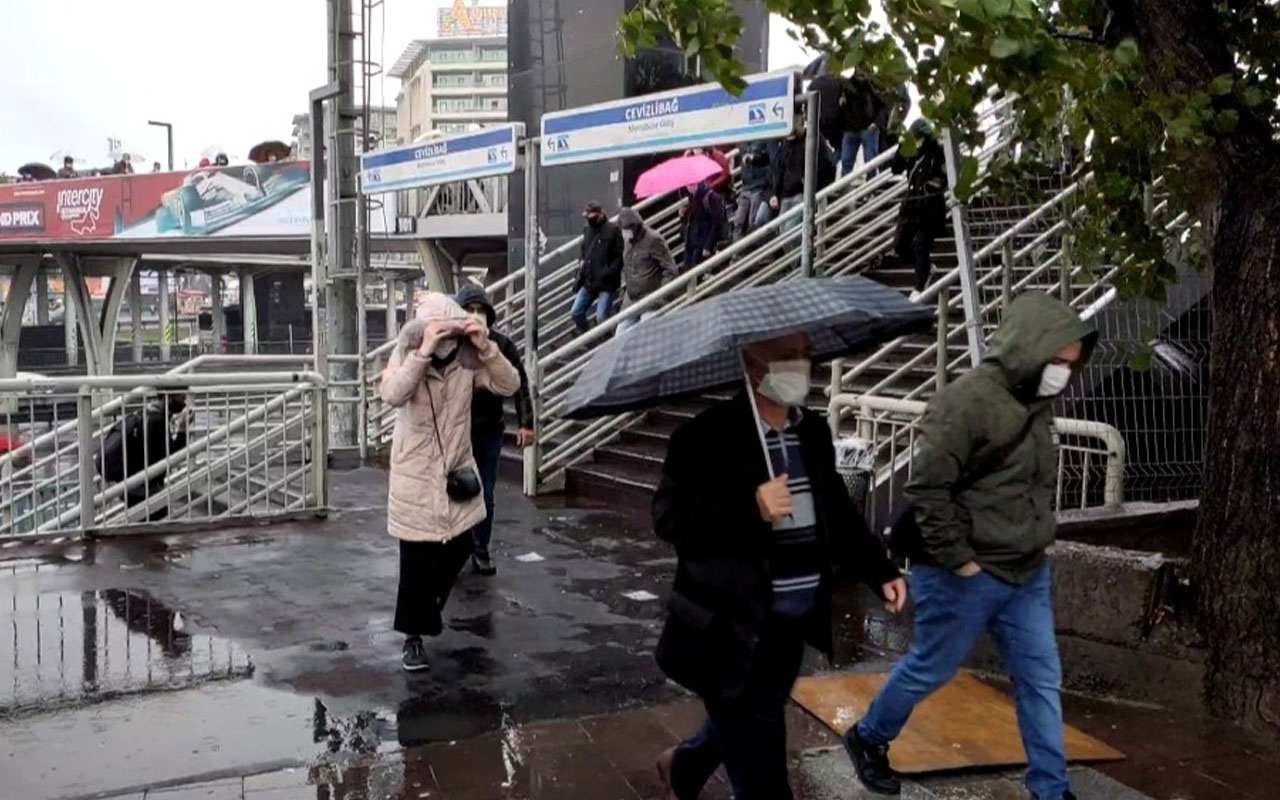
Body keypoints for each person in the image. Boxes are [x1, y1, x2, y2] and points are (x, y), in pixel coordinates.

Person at [845, 292, 1095, 800]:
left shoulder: (1038, 404)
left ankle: (1052, 789)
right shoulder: (964, 402)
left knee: (1040, 680)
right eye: (1057, 361)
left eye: (1071, 364)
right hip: (967, 572)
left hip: (1026, 572)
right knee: (930, 668)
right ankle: (868, 736)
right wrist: (962, 562)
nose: (1064, 373)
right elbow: (928, 490)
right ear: (1031, 348)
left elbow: (1031, 485)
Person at [652, 332, 908, 800]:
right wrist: (749, 505)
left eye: (806, 355)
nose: (802, 366)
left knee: (753, 718)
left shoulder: (810, 431)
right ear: (752, 364)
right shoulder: (705, 436)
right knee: (763, 771)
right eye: (788, 357)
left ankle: (685, 767)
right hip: (729, 628)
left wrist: (880, 569)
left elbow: (837, 508)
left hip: (791, 624)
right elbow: (669, 517)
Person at [380, 292, 520, 671]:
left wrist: (485, 346)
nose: (446, 341)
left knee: (460, 546)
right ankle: (413, 639)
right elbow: (391, 393)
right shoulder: (409, 352)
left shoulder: (467, 361)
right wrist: (422, 352)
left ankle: (428, 611)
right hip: (414, 475)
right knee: (415, 564)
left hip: (456, 471)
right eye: (440, 333)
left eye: (450, 334)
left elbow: (510, 384)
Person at [453, 284, 534, 577]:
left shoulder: (500, 344)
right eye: (469, 310)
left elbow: (518, 383)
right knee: (455, 492)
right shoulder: (451, 345)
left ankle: (481, 548)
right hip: (456, 432)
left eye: (480, 311)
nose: (475, 316)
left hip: (488, 429)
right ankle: (456, 547)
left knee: (485, 493)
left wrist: (527, 423)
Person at [97, 390, 190, 522]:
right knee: (155, 528)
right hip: (145, 489)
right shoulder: (158, 420)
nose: (184, 401)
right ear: (167, 397)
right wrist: (182, 430)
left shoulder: (147, 413)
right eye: (181, 397)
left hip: (134, 485)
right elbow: (169, 457)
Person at [888, 119, 949, 298]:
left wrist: (933, 186)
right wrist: (901, 148)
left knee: (922, 245)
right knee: (900, 246)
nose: (917, 140)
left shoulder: (937, 151)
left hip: (930, 205)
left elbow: (945, 175)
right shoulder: (910, 150)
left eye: (919, 137)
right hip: (911, 204)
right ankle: (927, 268)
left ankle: (920, 286)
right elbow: (895, 169)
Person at [616, 206, 677, 334]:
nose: (624, 233)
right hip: (632, 297)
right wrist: (623, 288)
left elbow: (670, 269)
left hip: (651, 297)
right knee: (620, 332)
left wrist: (661, 295)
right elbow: (626, 266)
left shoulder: (653, 239)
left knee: (644, 329)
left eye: (626, 229)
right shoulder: (628, 242)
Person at [571, 201, 625, 333]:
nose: (589, 219)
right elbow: (584, 250)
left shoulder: (613, 230)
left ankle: (603, 339)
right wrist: (581, 261)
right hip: (589, 280)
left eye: (591, 216)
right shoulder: (588, 231)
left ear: (600, 215)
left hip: (606, 283)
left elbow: (619, 257)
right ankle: (588, 337)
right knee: (576, 312)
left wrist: (608, 272)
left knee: (601, 317)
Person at [679, 181, 729, 274]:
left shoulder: (711, 197)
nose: (689, 187)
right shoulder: (691, 200)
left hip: (702, 243)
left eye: (692, 184)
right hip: (691, 243)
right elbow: (690, 223)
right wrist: (682, 216)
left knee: (697, 274)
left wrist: (708, 246)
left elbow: (717, 223)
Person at [734, 140, 773, 240]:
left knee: (753, 221)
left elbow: (768, 158)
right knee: (738, 220)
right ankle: (737, 252)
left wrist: (754, 158)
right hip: (746, 185)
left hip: (759, 184)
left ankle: (754, 247)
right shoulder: (741, 142)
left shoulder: (763, 140)